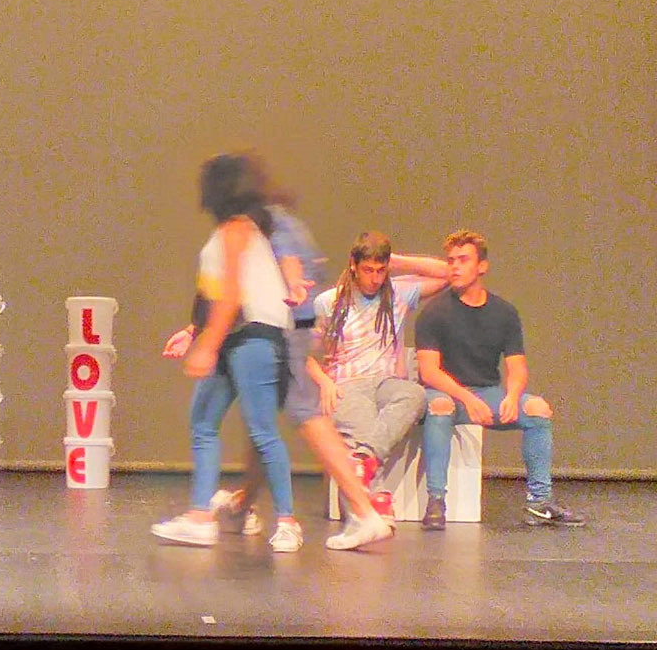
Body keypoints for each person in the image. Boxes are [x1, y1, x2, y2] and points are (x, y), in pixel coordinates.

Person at [162, 173, 328, 540]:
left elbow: (233, 294)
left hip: (254, 335)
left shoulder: (238, 229)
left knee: (261, 429)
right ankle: (200, 516)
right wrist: (193, 331)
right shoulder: (237, 231)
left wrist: (207, 347)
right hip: (235, 334)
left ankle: (287, 522)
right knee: (203, 420)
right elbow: (214, 293)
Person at [415, 229, 585, 529]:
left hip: (487, 393)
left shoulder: (504, 312)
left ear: (482, 266)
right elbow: (429, 372)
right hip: (446, 394)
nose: (455, 266)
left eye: (463, 260)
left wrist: (512, 395)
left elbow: (517, 367)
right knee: (440, 406)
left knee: (537, 409)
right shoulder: (434, 313)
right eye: (451, 260)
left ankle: (539, 502)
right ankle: (436, 500)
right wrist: (467, 398)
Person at [306, 232, 449, 519]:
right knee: (364, 423)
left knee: (415, 394)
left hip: (386, 382)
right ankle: (377, 497)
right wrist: (324, 382)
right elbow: (301, 353)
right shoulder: (329, 302)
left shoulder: (397, 293)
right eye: (368, 270)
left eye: (380, 270)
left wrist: (396, 261)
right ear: (353, 265)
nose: (374, 278)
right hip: (347, 384)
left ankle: (367, 460)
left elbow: (446, 274)